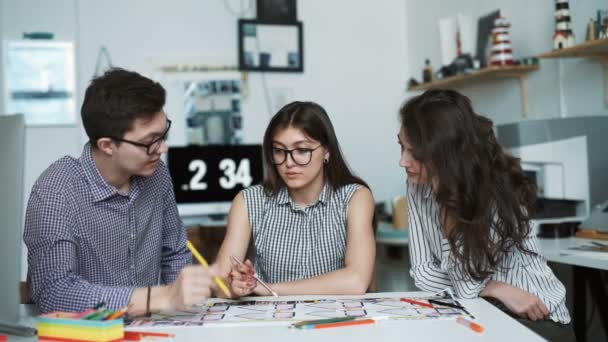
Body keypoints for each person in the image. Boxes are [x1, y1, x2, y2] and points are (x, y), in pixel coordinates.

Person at [24, 68, 218, 315]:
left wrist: (188, 303)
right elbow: (55, 292)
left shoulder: (156, 175)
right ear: (107, 146)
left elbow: (175, 254)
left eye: (164, 133)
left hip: (153, 330)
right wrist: (162, 297)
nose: (163, 148)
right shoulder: (55, 191)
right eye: (150, 141)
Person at [397, 89, 575, 342]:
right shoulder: (416, 185)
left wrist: (480, 289)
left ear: (445, 152)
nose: (403, 162)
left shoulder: (492, 192)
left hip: (535, 318)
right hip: (478, 310)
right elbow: (423, 274)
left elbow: (466, 285)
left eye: (415, 153)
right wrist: (496, 288)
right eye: (401, 147)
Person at [216, 101, 375, 297]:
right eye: (279, 151)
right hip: (271, 322)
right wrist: (235, 286)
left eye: (302, 150)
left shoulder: (355, 197)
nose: (289, 163)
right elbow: (220, 284)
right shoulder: (248, 200)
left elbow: (356, 281)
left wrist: (266, 289)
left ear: (326, 151)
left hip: (337, 321)